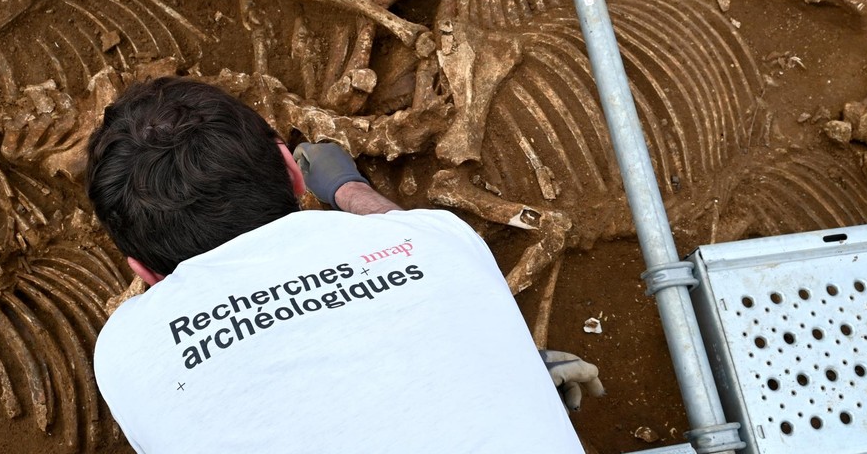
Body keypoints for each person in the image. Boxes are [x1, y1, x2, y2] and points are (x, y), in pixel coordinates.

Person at [86, 76, 603, 453]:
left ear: (144, 272)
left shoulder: (125, 353)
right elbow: (409, 238)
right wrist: (348, 188)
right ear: (293, 172)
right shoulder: (441, 240)